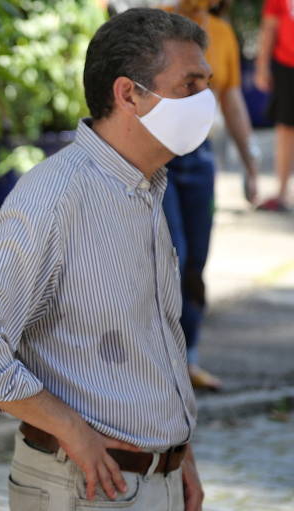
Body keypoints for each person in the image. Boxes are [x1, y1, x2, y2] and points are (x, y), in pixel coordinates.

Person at [0, 8, 207, 511]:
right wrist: (69, 427)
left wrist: (177, 450)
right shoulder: (55, 194)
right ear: (129, 94)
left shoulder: (145, 186)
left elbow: (150, 339)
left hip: (156, 481)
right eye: (190, 84)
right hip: (83, 486)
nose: (205, 101)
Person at [162, 0, 260, 391]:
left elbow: (231, 99)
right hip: (159, 158)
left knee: (196, 261)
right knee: (172, 256)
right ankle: (161, 362)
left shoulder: (221, 34)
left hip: (200, 159)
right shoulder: (160, 26)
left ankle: (189, 359)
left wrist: (251, 163)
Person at [255, 0, 294, 211]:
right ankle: (282, 191)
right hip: (286, 64)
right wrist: (262, 66)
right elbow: (269, 26)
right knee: (285, 128)